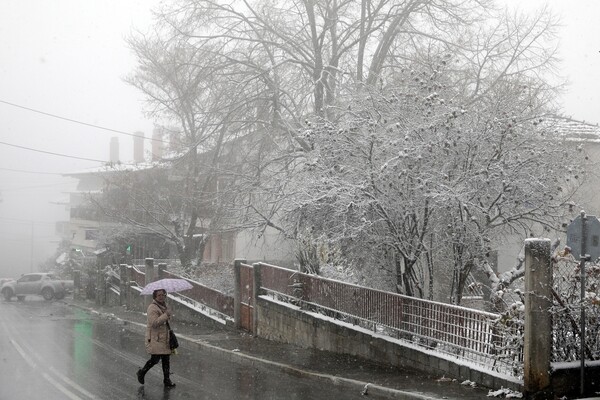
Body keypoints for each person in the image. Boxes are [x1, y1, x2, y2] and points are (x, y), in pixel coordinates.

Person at [136, 289, 176, 388]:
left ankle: (167, 380)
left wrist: (168, 314)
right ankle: (141, 372)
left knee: (166, 359)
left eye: (163, 295)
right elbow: (154, 323)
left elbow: (166, 321)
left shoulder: (165, 306)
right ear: (155, 297)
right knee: (155, 359)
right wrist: (166, 315)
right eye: (159, 295)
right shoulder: (152, 308)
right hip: (156, 338)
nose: (161, 297)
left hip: (165, 338)